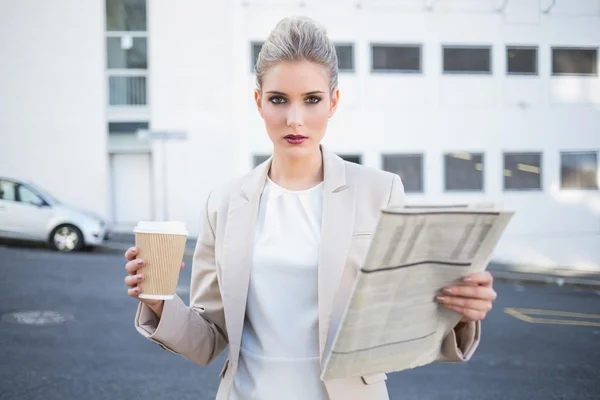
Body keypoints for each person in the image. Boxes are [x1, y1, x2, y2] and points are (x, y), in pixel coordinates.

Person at [124, 16, 497, 400]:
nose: (294, 119)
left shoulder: (380, 192)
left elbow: (401, 320)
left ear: (333, 101)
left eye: (312, 99)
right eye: (278, 99)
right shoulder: (223, 203)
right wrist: (159, 302)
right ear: (259, 102)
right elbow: (210, 338)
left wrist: (460, 309)